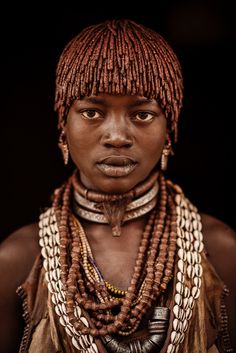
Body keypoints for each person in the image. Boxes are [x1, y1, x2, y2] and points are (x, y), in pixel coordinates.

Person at [0, 18, 235, 353]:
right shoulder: (17, 262)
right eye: (92, 112)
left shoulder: (222, 253)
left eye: (142, 115)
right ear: (63, 126)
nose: (117, 137)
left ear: (169, 130)